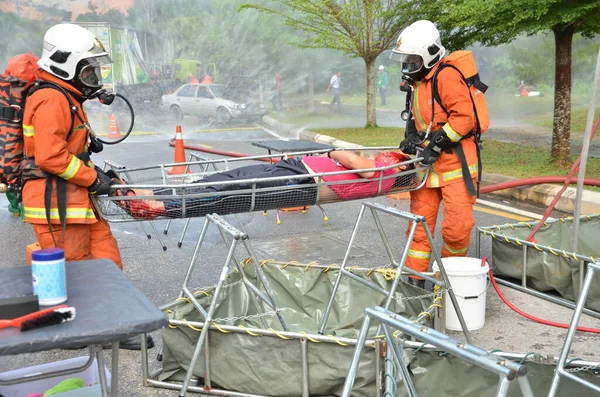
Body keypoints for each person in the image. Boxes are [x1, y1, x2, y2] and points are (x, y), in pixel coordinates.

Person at [23, 23, 152, 350]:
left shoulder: (65, 95)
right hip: (57, 206)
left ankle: (113, 326)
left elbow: (71, 149)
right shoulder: (50, 98)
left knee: (106, 261)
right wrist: (94, 179)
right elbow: (51, 156)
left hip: (77, 201)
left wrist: (98, 176)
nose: (94, 78)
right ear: (66, 65)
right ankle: (75, 332)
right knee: (76, 270)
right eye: (89, 71)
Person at [390, 20, 479, 287]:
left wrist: (437, 143)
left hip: (454, 168)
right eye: (407, 61)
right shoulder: (418, 84)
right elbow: (418, 120)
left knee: (456, 230)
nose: (409, 67)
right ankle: (414, 283)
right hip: (426, 170)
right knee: (419, 227)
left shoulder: (447, 76)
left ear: (429, 54)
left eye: (414, 61)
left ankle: (450, 281)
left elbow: (464, 118)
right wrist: (411, 140)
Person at [114, 151, 413, 220]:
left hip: (299, 180)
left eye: (397, 160)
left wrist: (335, 152)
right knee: (221, 181)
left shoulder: (380, 172)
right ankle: (150, 195)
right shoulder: (380, 170)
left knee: (227, 191)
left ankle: (157, 207)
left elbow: (346, 158)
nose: (385, 157)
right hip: (296, 171)